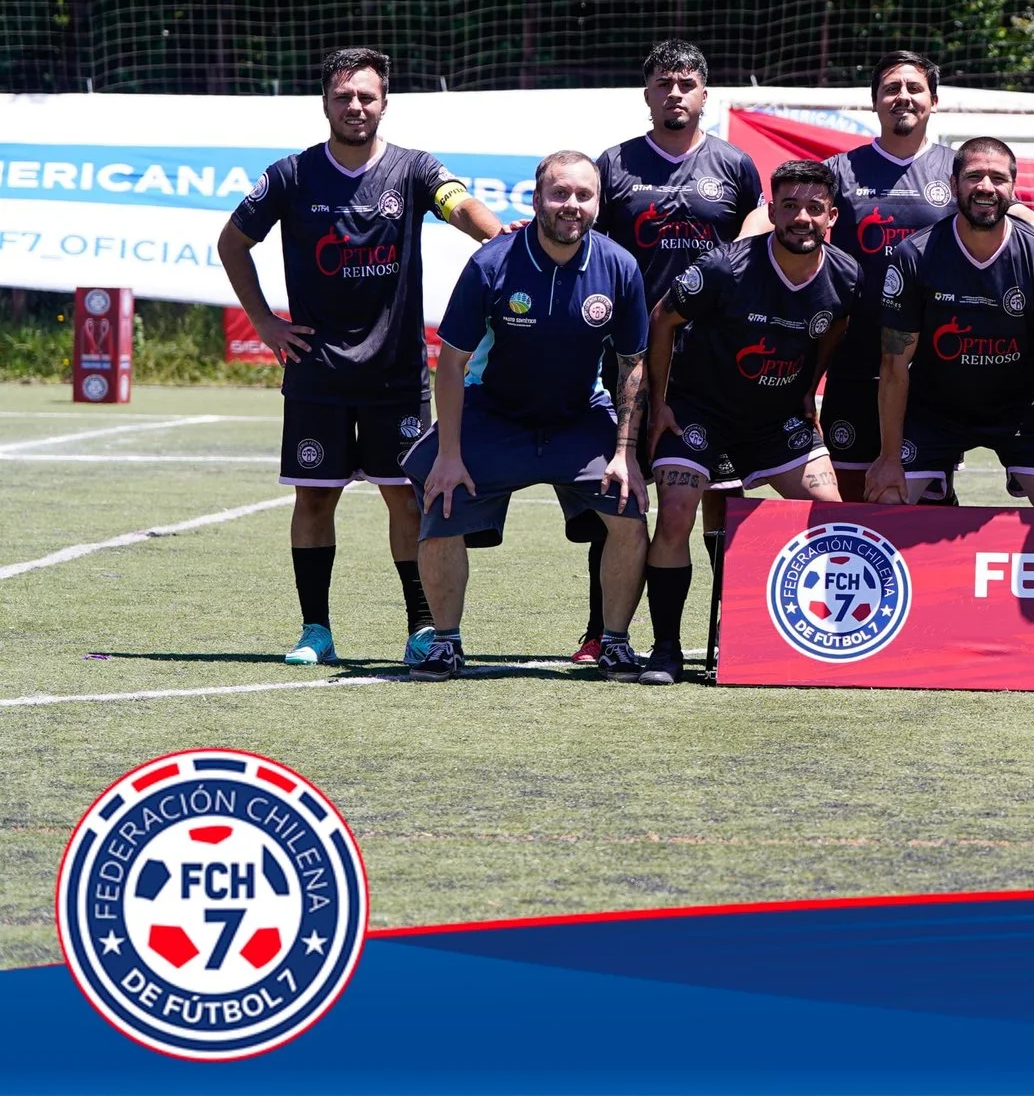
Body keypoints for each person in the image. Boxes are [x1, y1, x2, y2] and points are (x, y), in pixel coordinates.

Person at [217, 47, 503, 668]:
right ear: (325, 103)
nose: (356, 106)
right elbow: (232, 241)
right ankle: (315, 630)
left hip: (396, 375)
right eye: (344, 96)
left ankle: (421, 628)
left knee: (405, 498)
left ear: (384, 103)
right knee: (314, 499)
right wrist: (266, 323)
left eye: (367, 96)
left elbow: (457, 201)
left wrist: (497, 234)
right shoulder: (291, 176)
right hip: (317, 374)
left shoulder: (412, 170)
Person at [402, 152, 653, 681]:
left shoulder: (619, 266)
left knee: (630, 511)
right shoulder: (492, 263)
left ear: (599, 203)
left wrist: (626, 454)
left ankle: (614, 642)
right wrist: (448, 455)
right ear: (536, 200)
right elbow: (451, 363)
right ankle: (446, 642)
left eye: (584, 195)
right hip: (495, 413)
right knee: (438, 500)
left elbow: (632, 366)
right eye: (560, 194)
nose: (572, 205)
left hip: (578, 416)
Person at [641, 159, 861, 683]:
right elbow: (662, 319)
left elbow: (836, 326)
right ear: (771, 210)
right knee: (674, 512)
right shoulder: (724, 267)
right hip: (701, 412)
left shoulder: (847, 274)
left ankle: (819, 641)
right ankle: (666, 650)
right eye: (789, 206)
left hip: (776, 418)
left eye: (813, 208)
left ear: (831, 216)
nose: (801, 218)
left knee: (834, 515)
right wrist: (661, 401)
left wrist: (810, 389)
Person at [584, 39, 766, 665]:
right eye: (664, 83)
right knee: (624, 486)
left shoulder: (735, 165)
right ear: (648, 92)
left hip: (717, 360)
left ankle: (725, 631)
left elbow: (760, 234)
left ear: (705, 95)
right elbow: (590, 250)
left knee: (718, 495)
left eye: (686, 83)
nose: (675, 93)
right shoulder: (615, 164)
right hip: (630, 352)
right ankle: (602, 631)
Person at [866, 138, 1034, 509]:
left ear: (1012, 189)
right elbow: (894, 364)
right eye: (974, 176)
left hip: (1017, 410)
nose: (986, 186)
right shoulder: (915, 254)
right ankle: (937, 490)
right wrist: (889, 458)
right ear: (954, 185)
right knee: (887, 495)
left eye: (998, 178)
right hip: (936, 410)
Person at [821, 51, 961, 497]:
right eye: (891, 89)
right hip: (855, 358)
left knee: (927, 499)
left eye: (914, 88)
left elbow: (995, 206)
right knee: (850, 495)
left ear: (933, 101)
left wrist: (1026, 212)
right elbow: (784, 216)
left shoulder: (958, 170)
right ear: (875, 102)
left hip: (931, 365)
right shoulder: (839, 171)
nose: (903, 97)